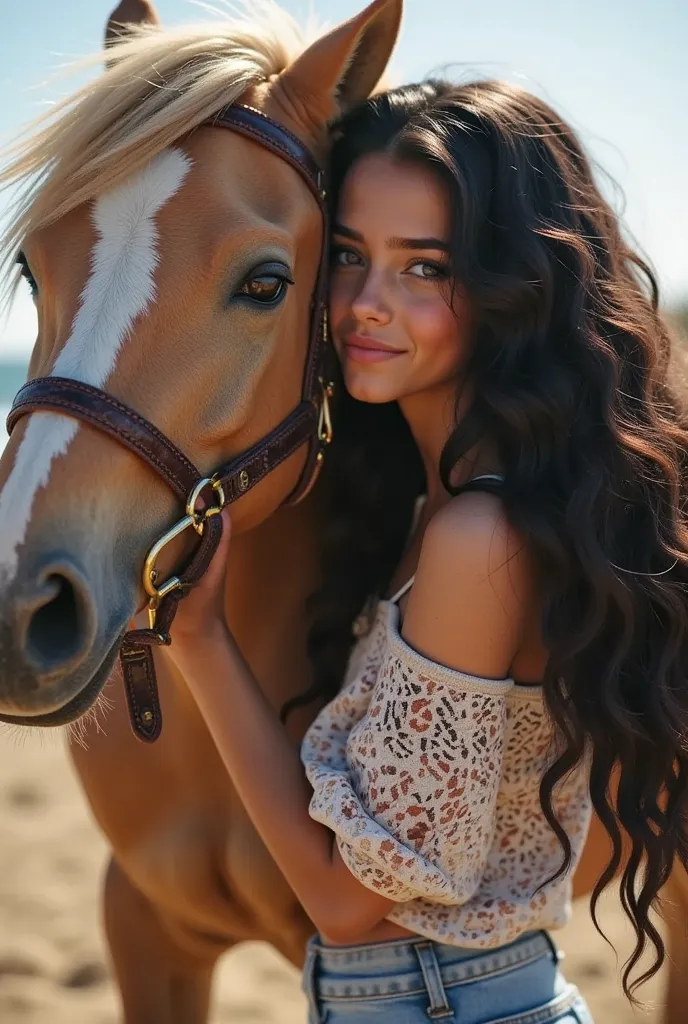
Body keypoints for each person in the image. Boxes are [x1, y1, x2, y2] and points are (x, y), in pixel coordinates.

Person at [162, 79, 688, 1023]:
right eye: (352, 256)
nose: (366, 303)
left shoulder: (475, 538)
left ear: (511, 290)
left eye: (425, 268)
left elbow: (348, 906)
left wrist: (200, 642)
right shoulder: (447, 508)